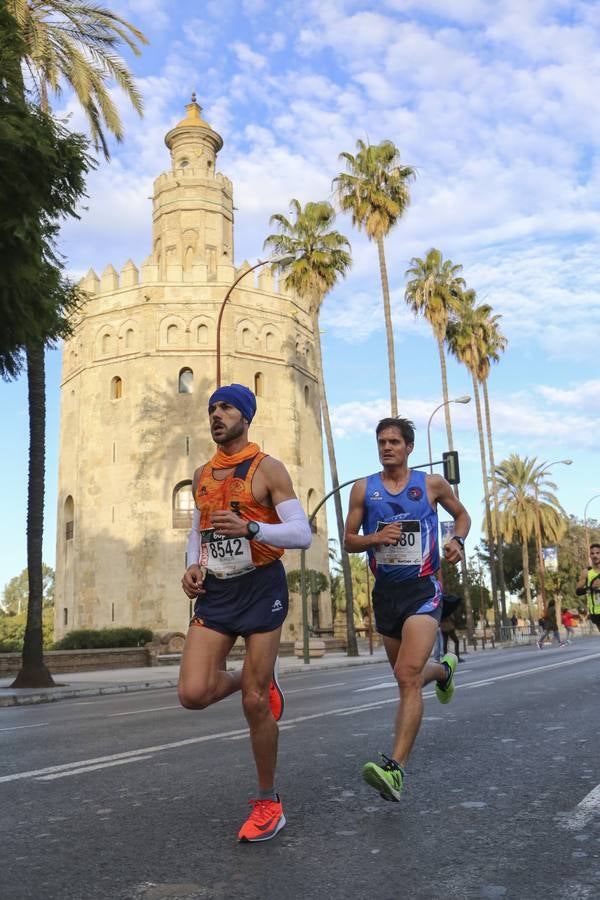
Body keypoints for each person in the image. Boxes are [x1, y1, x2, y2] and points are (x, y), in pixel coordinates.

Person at [178, 383, 312, 843]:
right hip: (217, 589)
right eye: (212, 408)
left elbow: (302, 532)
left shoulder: (267, 468)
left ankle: (268, 803)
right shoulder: (200, 474)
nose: (217, 414)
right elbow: (197, 531)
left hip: (260, 586)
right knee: (193, 693)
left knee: (255, 703)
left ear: (246, 416)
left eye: (227, 407)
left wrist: (253, 525)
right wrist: (192, 565)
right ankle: (257, 677)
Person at [344, 416, 471, 802]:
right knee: (409, 676)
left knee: (406, 677)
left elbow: (461, 516)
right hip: (386, 595)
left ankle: (395, 769)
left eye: (394, 442)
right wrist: (375, 538)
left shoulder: (431, 484)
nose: (387, 447)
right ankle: (444, 670)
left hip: (423, 591)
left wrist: (458, 541)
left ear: (409, 447)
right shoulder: (363, 489)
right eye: (382, 441)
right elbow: (349, 540)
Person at [575, 543, 600, 631]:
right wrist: (591, 588)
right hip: (596, 612)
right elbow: (578, 592)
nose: (595, 555)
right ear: (590, 555)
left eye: (597, 553)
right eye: (592, 553)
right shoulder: (586, 572)